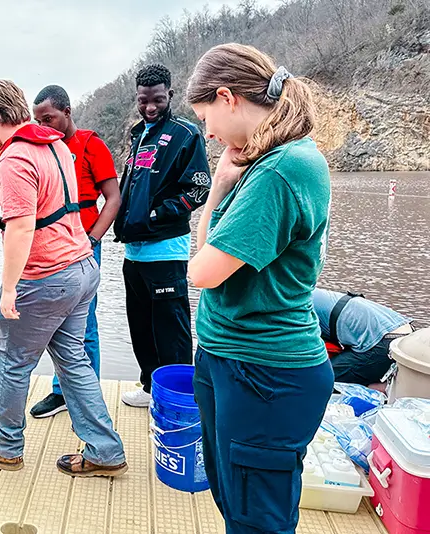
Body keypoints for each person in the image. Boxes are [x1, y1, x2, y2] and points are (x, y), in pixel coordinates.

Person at [187, 43, 335, 534]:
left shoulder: (280, 170)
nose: (206, 131)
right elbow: (210, 257)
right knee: (235, 501)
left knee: (257, 521)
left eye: (205, 115)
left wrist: (221, 187)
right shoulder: (263, 164)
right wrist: (220, 185)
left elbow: (201, 271)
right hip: (231, 359)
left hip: (264, 371)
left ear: (227, 98)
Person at [0, 79, 127, 477]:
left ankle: (5, 445)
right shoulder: (55, 145)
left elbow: (19, 229)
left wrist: (8, 289)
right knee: (73, 360)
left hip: (49, 277)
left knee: (13, 362)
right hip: (83, 268)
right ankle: (105, 451)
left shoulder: (16, 158)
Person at [112, 63, 212, 407]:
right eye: (143, 101)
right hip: (133, 250)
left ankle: (181, 396)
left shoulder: (187, 134)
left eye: (157, 100)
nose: (150, 107)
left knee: (171, 328)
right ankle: (150, 387)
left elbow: (199, 189)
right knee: (140, 325)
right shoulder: (138, 133)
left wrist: (157, 213)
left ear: (169, 94)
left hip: (166, 250)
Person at [28, 84, 121, 418]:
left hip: (84, 249)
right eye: (38, 120)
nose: (43, 126)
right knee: (55, 324)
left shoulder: (91, 145)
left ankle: (84, 395)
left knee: (85, 325)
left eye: (49, 118)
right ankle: (61, 391)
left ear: (67, 113)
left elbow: (113, 198)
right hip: (51, 252)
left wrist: (93, 239)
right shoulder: (39, 149)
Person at [312, 288, 414, 388]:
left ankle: (380, 389)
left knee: (317, 380)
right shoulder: (307, 294)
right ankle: (382, 386)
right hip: (407, 334)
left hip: (383, 342)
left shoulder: (298, 307)